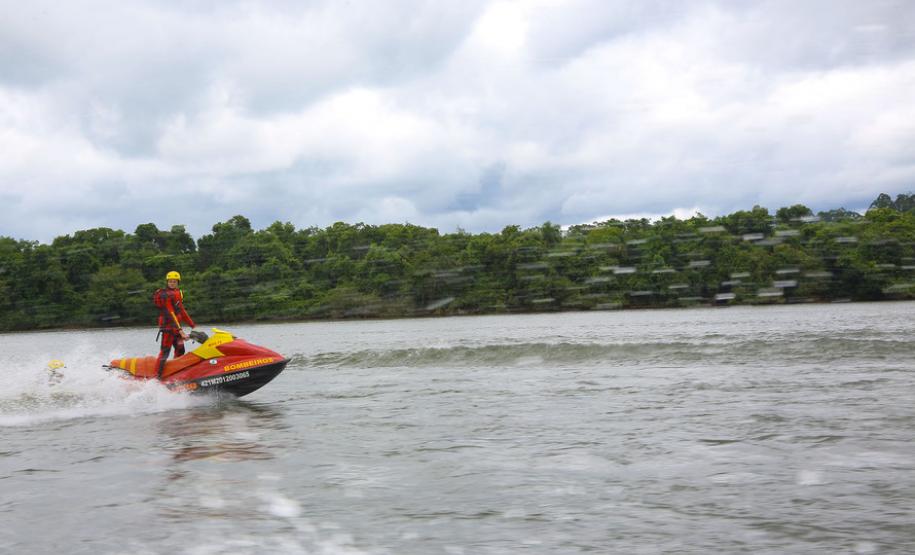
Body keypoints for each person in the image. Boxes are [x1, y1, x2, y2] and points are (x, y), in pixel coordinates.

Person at [155, 271, 196, 379]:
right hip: (168, 328)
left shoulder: (178, 293)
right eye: (170, 281)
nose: (172, 283)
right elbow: (170, 312)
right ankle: (157, 377)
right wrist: (180, 330)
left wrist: (192, 325)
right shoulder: (164, 295)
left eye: (174, 281)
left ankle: (175, 371)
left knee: (180, 349)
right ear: (167, 282)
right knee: (165, 352)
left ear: (178, 282)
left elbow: (181, 310)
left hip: (176, 328)